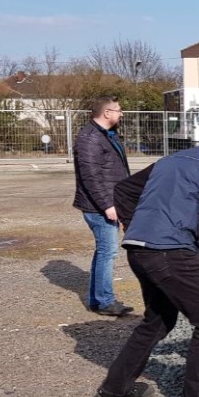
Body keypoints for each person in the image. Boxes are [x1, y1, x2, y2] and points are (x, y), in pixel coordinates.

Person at [92, 126, 199, 397]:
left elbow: (124, 191)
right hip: (170, 254)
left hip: (139, 250)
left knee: (158, 320)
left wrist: (136, 227)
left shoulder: (169, 161)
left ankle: (114, 388)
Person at [73, 95, 133, 317]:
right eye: (118, 110)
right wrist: (107, 205)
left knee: (104, 251)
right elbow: (90, 177)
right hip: (98, 207)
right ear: (107, 113)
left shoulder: (106, 135)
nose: (121, 113)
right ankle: (105, 301)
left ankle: (98, 300)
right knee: (108, 251)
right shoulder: (90, 138)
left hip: (109, 202)